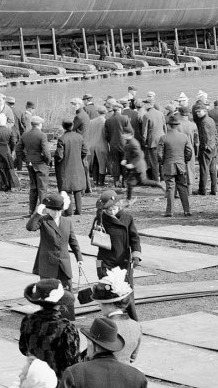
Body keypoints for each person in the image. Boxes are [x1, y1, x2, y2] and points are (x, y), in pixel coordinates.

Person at [87, 188, 140, 318]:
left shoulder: (127, 218)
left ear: (118, 205)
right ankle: (111, 318)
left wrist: (136, 254)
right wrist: (96, 230)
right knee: (107, 290)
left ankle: (132, 319)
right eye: (108, 210)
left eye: (113, 209)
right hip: (104, 261)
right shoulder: (100, 218)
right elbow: (91, 237)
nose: (111, 212)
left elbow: (134, 238)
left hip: (123, 260)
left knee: (126, 291)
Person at [27, 192, 82, 314]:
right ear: (47, 209)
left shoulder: (67, 221)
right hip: (48, 264)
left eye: (59, 210)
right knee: (47, 293)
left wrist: (79, 258)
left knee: (67, 292)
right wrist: (38, 213)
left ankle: (68, 317)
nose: (56, 213)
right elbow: (30, 227)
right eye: (53, 210)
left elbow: (73, 241)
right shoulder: (43, 220)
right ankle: (47, 317)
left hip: (63, 264)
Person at [18, 278, 81, 376]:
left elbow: (23, 349)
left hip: (34, 375)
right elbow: (73, 361)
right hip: (57, 379)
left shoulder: (28, 320)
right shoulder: (66, 327)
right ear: (60, 303)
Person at [156, 121, 193, 218]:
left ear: (168, 125)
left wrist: (162, 163)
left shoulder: (164, 138)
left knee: (170, 188)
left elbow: (159, 154)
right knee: (183, 188)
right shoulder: (184, 137)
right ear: (177, 125)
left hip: (168, 166)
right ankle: (187, 210)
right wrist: (184, 160)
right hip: (181, 165)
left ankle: (170, 211)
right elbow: (189, 151)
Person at [15, 115, 52, 213]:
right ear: (39, 124)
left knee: (33, 187)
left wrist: (25, 158)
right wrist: (48, 160)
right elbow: (46, 151)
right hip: (40, 164)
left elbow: (18, 149)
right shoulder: (42, 135)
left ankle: (31, 210)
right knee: (42, 188)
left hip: (30, 163)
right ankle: (42, 211)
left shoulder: (25, 135)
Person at [54, 120, 88, 215]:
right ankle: (79, 210)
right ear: (72, 126)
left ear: (63, 127)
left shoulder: (62, 139)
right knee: (77, 189)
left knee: (67, 189)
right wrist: (79, 157)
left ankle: (69, 212)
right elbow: (85, 151)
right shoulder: (79, 137)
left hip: (66, 166)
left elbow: (59, 155)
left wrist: (56, 159)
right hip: (78, 165)